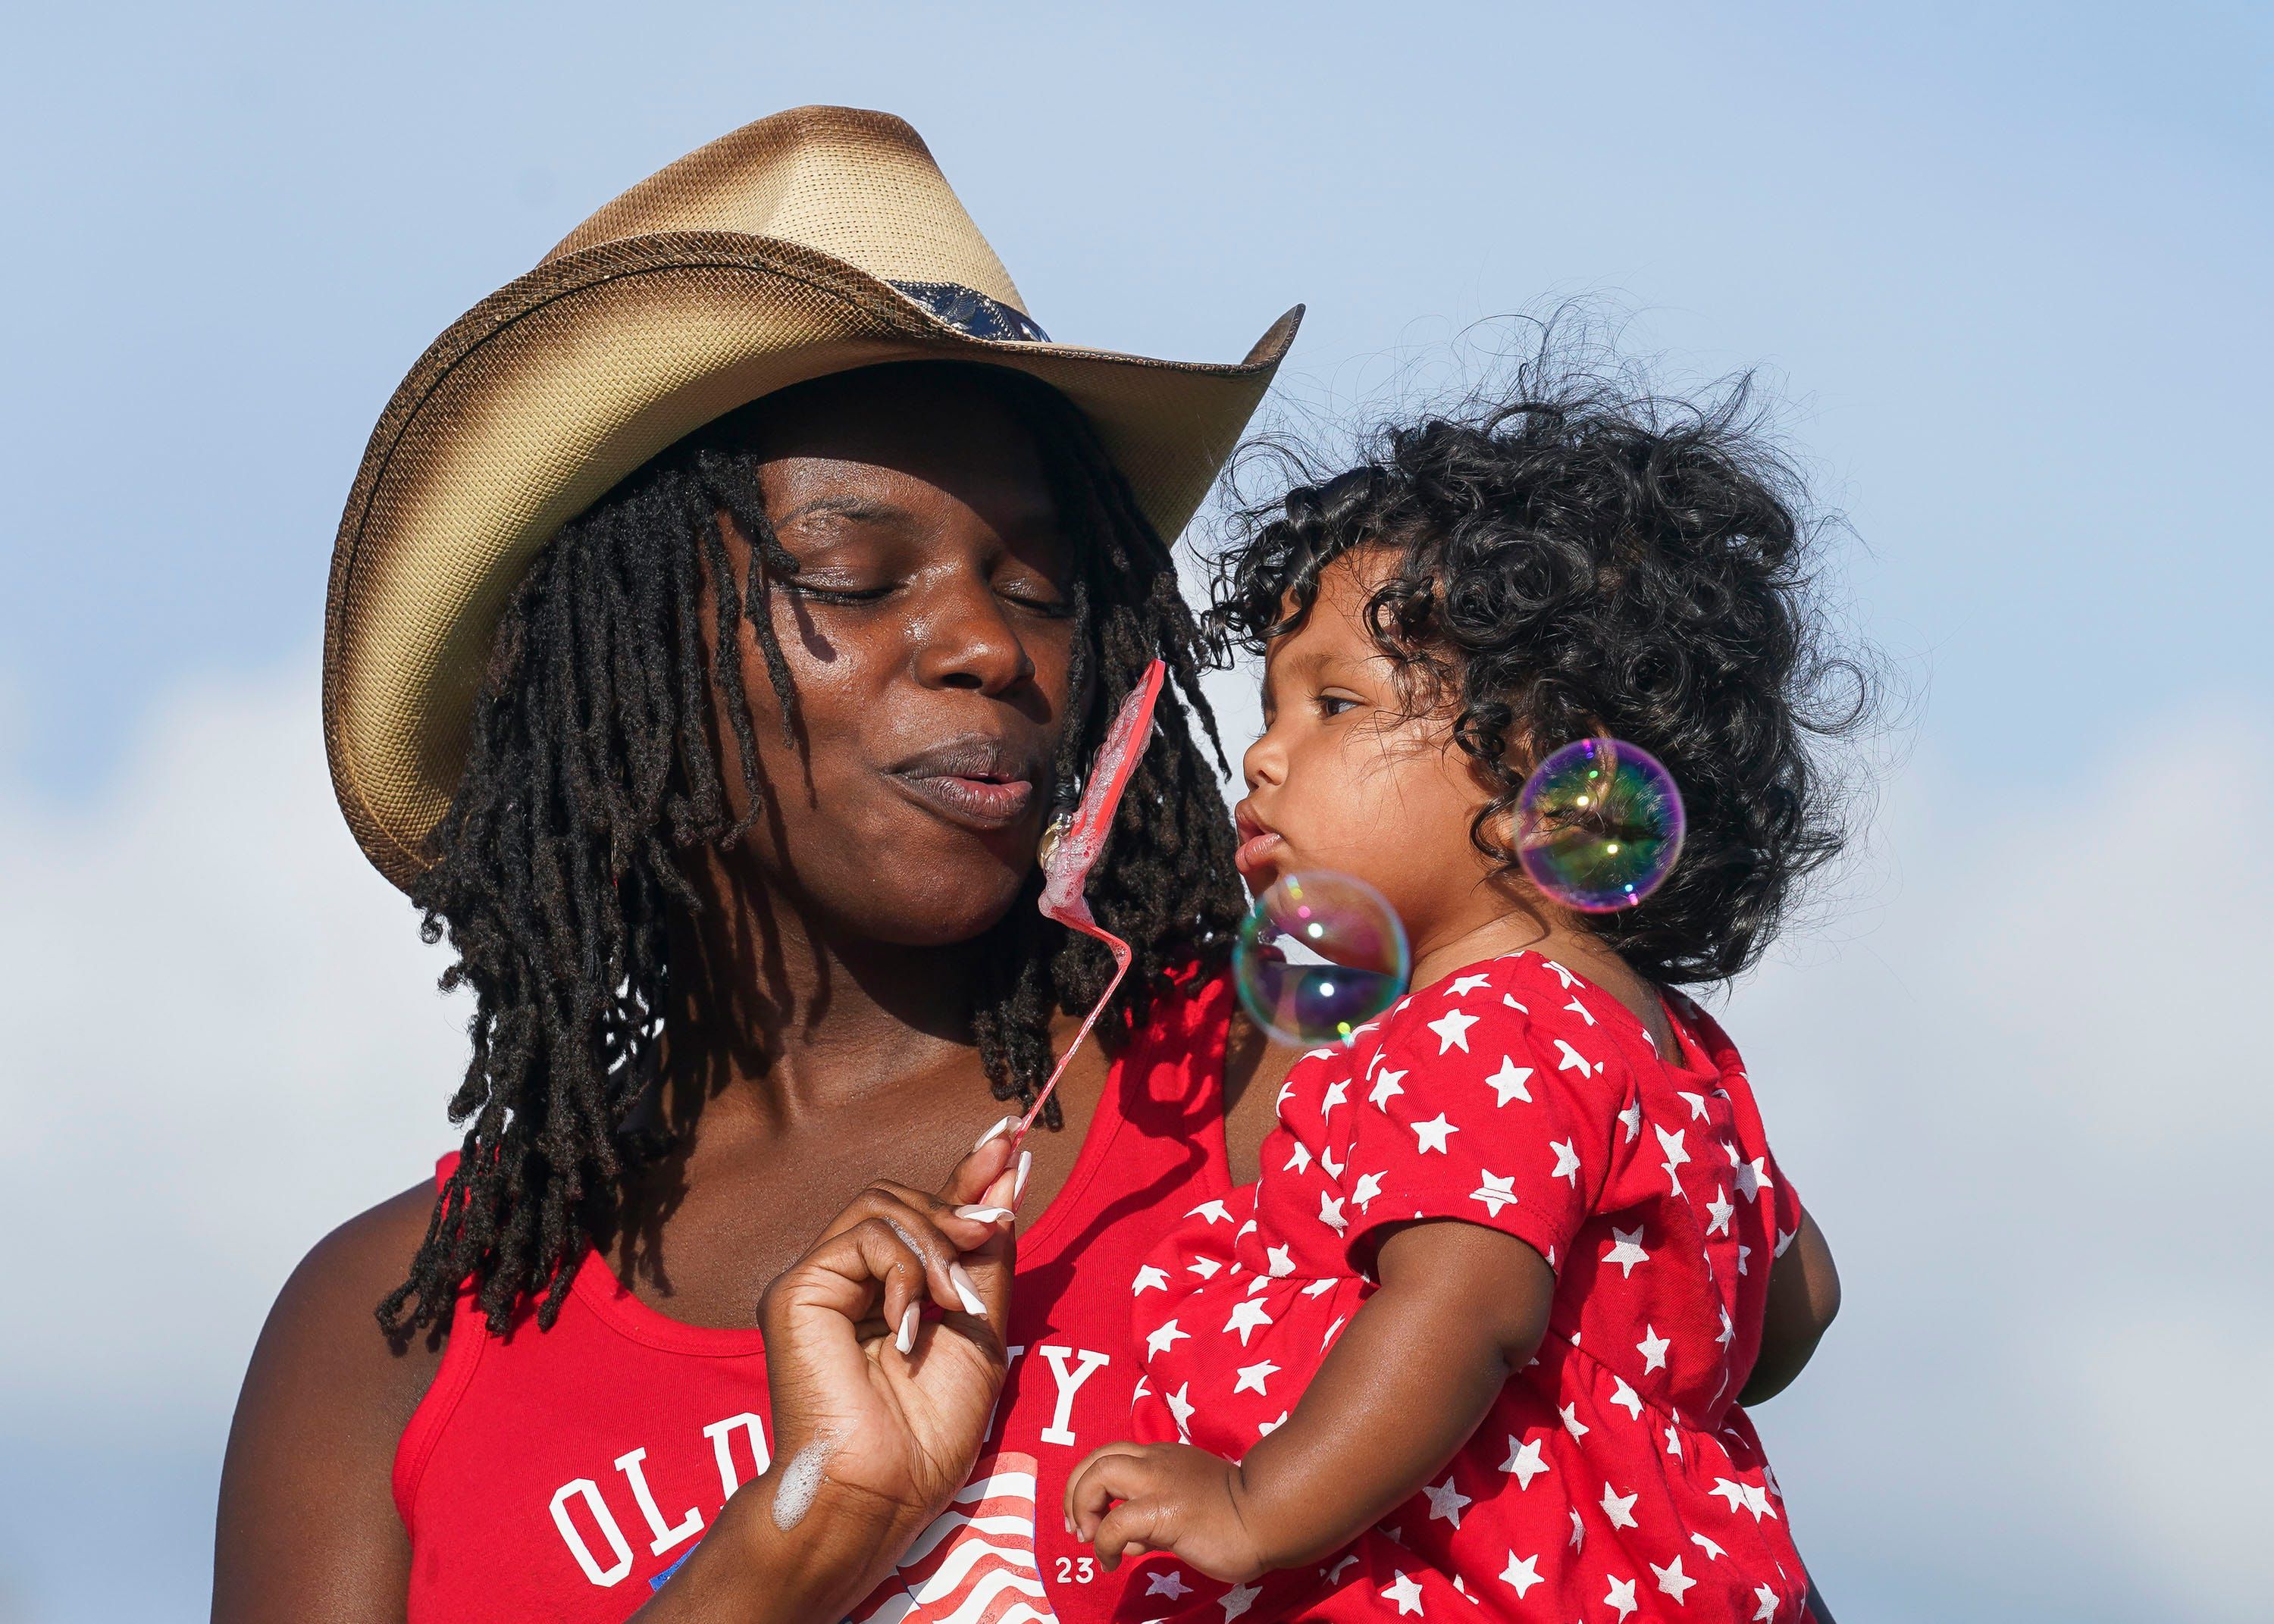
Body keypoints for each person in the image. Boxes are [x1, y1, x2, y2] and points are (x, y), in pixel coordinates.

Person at [212, 105, 1307, 1624]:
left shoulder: (1289, 1093)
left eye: (1043, 587)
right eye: (855, 577)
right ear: (621, 662)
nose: (991, 644)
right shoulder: (386, 1336)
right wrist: (796, 1543)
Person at [1063, 361, 1862, 1622]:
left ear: (1536, 764)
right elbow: (1794, 1309)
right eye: (1271, 704)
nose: (1265, 754)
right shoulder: (1678, 1050)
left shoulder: (1475, 1034)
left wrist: (1254, 1506)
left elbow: (1464, 1308)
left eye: (1333, 703)